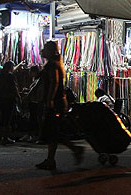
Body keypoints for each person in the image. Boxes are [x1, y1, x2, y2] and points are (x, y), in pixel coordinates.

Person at [35, 41, 83, 170]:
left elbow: (54, 82)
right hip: (57, 101)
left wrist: (50, 100)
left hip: (56, 102)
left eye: (45, 48)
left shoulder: (53, 65)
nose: (42, 50)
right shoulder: (53, 64)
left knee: (53, 130)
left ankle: (73, 150)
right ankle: (53, 158)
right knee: (54, 131)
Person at [0, 61, 21, 145]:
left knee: (2, 118)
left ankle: (0, 137)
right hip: (9, 98)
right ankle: (5, 137)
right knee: (7, 119)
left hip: (1, 98)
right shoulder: (10, 76)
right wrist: (18, 97)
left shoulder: (0, 76)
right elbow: (14, 87)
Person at [22, 66, 42, 143]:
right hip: (34, 100)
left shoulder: (39, 80)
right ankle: (30, 134)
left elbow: (34, 90)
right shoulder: (36, 80)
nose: (29, 73)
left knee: (34, 118)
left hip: (36, 101)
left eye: (31, 72)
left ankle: (34, 135)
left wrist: (27, 96)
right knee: (32, 118)